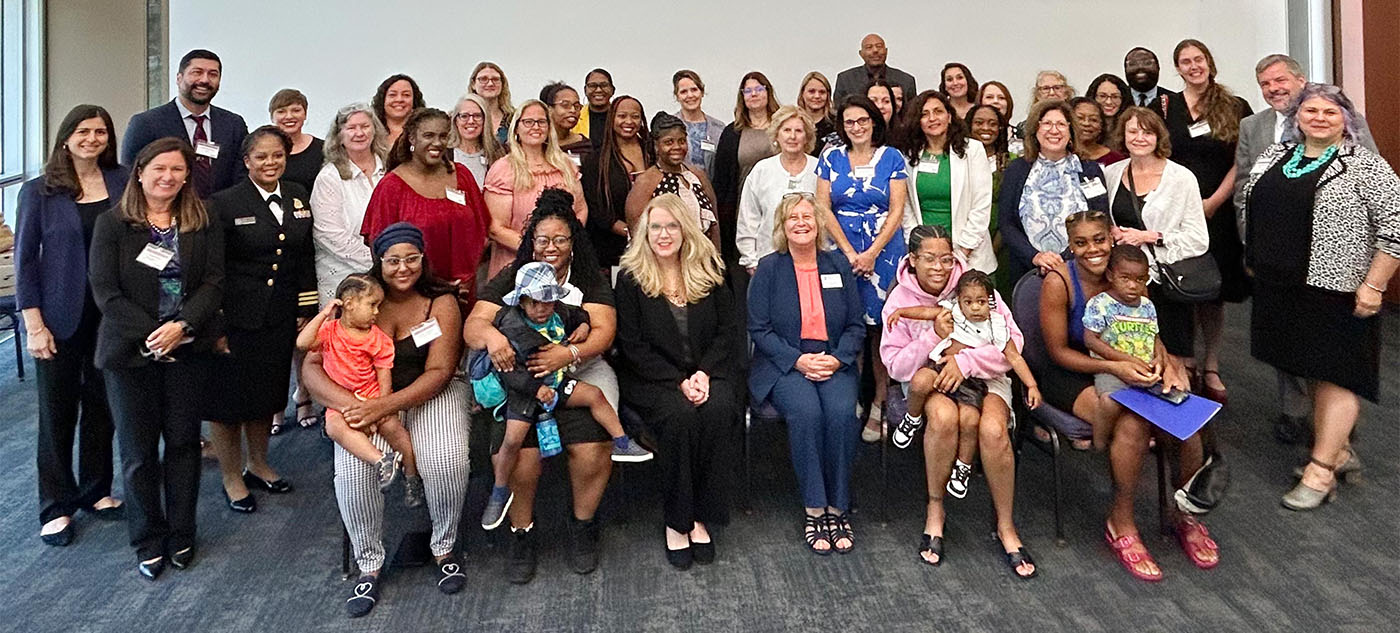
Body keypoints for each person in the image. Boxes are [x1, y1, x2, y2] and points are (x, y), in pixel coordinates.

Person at [1239, 83, 1399, 510]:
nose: (1320, 117)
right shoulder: (1275, 157)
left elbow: (1394, 230)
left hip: (1339, 289)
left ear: (1345, 119)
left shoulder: (1366, 166)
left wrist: (1375, 284)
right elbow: (1251, 207)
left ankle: (1321, 469)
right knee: (1308, 368)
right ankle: (1340, 450)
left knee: (1337, 373)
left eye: (1331, 111)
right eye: (1311, 110)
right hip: (1281, 286)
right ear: (1297, 117)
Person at [301, 223, 472, 615]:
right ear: (379, 262)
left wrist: (382, 407)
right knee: (354, 471)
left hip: (429, 393)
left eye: (411, 258)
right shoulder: (357, 302)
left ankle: (443, 547)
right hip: (363, 398)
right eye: (393, 260)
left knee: (445, 460)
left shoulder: (439, 301)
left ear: (422, 259)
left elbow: (440, 370)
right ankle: (369, 563)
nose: (402, 268)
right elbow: (311, 366)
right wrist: (351, 404)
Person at [1037, 211, 1208, 582]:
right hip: (1072, 373)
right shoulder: (1059, 281)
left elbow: (1149, 331)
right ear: (1070, 245)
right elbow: (1057, 353)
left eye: (1099, 239)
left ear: (1110, 239)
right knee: (1131, 423)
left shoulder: (1130, 275)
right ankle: (1121, 521)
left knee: (1187, 422)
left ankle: (1185, 512)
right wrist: (1114, 368)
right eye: (1081, 243)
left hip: (1128, 368)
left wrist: (1163, 359)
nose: (1092, 250)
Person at [463, 191, 621, 583]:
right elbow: (473, 327)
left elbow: (603, 333)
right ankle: (522, 533)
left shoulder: (587, 276)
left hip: (578, 370)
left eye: (560, 240)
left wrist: (566, 354)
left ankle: (582, 525)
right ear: (531, 241)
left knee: (591, 445)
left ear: (573, 243)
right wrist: (495, 340)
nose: (551, 247)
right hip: (522, 380)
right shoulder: (515, 276)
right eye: (543, 239)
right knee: (524, 454)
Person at [90, 137, 224, 579]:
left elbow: (212, 284)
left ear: (188, 176)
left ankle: (182, 532)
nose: (168, 177)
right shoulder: (113, 224)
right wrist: (153, 334)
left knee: (184, 445)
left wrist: (182, 327)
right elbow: (106, 293)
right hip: (131, 354)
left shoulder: (201, 221)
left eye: (178, 170)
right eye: (159, 168)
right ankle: (147, 538)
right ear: (141, 172)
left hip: (187, 351)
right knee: (138, 452)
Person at [1233, 54, 1377, 446]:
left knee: (1328, 353)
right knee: (1285, 342)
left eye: (1280, 80)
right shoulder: (1254, 127)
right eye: (1265, 84)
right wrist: (1252, 247)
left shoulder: (1347, 124)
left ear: (1300, 79)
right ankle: (1296, 413)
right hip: (1276, 261)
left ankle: (1334, 434)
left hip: (1333, 264)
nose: (1273, 89)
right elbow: (1245, 190)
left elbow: (1376, 194)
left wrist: (1372, 276)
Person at [880, 226, 1036, 577]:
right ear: (913, 260)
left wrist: (966, 362)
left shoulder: (975, 287)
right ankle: (936, 509)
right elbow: (896, 366)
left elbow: (1013, 345)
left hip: (987, 377)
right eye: (930, 259)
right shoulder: (900, 301)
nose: (939, 267)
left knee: (995, 431)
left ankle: (1006, 525)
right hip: (930, 378)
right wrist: (933, 337)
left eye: (946, 259)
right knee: (944, 418)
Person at [17, 104, 128, 547]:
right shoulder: (39, 191)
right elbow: (25, 261)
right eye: (83, 131)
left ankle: (95, 491)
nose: (92, 139)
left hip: (111, 315)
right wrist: (33, 324)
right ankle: (55, 505)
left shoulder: (122, 181)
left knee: (103, 407)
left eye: (100, 131)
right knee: (57, 413)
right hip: (59, 317)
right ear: (66, 137)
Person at [615, 194, 742, 569]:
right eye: (655, 227)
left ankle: (702, 514)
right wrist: (678, 381)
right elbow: (632, 346)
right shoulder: (631, 278)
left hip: (709, 371)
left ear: (685, 230)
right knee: (680, 417)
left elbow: (727, 331)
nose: (664, 234)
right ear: (644, 232)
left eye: (672, 226)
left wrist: (704, 373)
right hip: (653, 378)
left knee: (719, 410)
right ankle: (676, 519)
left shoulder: (711, 269)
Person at [477, 261, 651, 531]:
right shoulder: (511, 326)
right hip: (525, 390)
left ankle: (622, 441)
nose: (542, 308)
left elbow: (578, 314)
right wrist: (536, 390)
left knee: (594, 395)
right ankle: (499, 491)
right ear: (521, 301)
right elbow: (510, 372)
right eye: (534, 302)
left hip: (556, 381)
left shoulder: (557, 310)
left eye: (547, 301)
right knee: (512, 441)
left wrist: (582, 326)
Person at [203, 125, 317, 512]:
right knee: (227, 400)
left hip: (279, 314)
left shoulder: (298, 195)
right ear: (247, 160)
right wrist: (215, 324)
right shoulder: (223, 203)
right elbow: (211, 269)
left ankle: (260, 463)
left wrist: (304, 308)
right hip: (234, 317)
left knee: (267, 392)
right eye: (262, 156)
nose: (271, 163)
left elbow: (303, 257)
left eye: (278, 156)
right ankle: (232, 476)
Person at [748, 194, 865, 555]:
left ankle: (838, 506)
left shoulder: (837, 265)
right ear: (782, 227)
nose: (801, 223)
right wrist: (798, 360)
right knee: (808, 413)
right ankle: (815, 508)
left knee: (843, 414)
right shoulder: (768, 268)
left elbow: (856, 325)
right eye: (792, 218)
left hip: (833, 359)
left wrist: (836, 358)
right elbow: (758, 328)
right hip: (785, 363)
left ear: (819, 224)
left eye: (807, 217)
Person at [887, 270, 1041, 493]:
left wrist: (1031, 385)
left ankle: (964, 466)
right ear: (959, 301)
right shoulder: (955, 311)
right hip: (941, 366)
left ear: (991, 300)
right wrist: (902, 312)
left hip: (972, 380)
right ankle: (912, 418)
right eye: (968, 302)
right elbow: (927, 312)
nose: (975, 307)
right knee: (920, 381)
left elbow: (1014, 356)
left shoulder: (996, 325)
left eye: (981, 301)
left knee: (969, 420)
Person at [1163, 39, 1253, 405]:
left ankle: (1211, 363)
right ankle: (1184, 361)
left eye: (1198, 59)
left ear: (1209, 63)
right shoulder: (1165, 105)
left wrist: (1214, 202)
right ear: (1178, 68)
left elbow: (1243, 159)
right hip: (1173, 211)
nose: (1193, 66)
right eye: (1185, 61)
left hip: (1217, 210)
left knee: (1212, 293)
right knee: (1177, 287)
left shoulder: (1234, 106)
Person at [817, 94, 909, 443]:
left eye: (862, 121)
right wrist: (850, 251)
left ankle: (878, 404)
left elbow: (897, 210)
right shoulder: (830, 158)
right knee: (844, 330)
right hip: (841, 252)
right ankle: (848, 399)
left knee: (880, 334)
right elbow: (823, 208)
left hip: (883, 253)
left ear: (874, 123)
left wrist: (871, 253)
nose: (856, 127)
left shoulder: (892, 158)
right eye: (850, 122)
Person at [295, 274, 420, 504]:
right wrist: (323, 314)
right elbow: (302, 343)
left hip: (372, 395)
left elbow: (384, 375)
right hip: (340, 400)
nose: (377, 312)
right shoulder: (329, 331)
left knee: (393, 429)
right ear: (349, 304)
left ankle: (412, 476)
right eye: (372, 305)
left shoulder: (378, 339)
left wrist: (382, 407)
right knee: (333, 427)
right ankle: (381, 460)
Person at [1102, 106, 1208, 373]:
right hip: (1124, 281)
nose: (1139, 137)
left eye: (1147, 132)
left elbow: (1198, 239)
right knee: (1133, 353)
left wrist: (1150, 237)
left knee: (1174, 360)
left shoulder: (1181, 178)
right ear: (1122, 135)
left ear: (1159, 136)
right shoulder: (1112, 173)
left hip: (1166, 281)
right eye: (1133, 131)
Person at [361, 108, 490, 303]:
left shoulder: (462, 175)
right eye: (428, 135)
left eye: (443, 136)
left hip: (464, 293)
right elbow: (379, 248)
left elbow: (483, 231)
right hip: (415, 298)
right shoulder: (391, 187)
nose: (437, 143)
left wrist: (467, 278)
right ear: (412, 138)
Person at [999, 99, 1111, 284]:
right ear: (1036, 129)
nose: (1054, 130)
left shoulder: (1089, 170)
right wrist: (1036, 257)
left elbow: (1101, 218)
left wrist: (1066, 258)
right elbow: (1007, 223)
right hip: (1026, 269)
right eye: (1047, 124)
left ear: (1071, 131)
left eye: (1061, 124)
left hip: (1079, 270)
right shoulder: (1017, 169)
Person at [122, 49, 248, 199]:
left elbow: (242, 175)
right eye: (197, 72)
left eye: (213, 74)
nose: (205, 80)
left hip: (221, 215)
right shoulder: (146, 123)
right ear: (179, 78)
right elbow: (130, 174)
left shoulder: (233, 124)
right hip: (166, 214)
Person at [484, 100, 589, 277]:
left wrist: (561, 248)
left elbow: (580, 209)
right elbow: (495, 228)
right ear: (516, 128)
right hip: (515, 267)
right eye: (528, 122)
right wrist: (539, 250)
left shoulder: (566, 165)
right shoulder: (503, 169)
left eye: (541, 122)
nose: (536, 127)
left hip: (562, 266)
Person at [897, 90, 996, 274]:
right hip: (926, 258)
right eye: (924, 114)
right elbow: (906, 206)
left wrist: (961, 253)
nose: (932, 118)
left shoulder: (972, 150)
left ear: (949, 116)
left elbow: (981, 204)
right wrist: (919, 245)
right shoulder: (908, 154)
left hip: (970, 254)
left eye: (938, 111)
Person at [1081, 245, 1166, 449]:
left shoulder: (1147, 305)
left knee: (1173, 397)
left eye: (1139, 280)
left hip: (1145, 370)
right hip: (1112, 371)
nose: (1132, 286)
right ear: (1110, 276)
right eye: (1125, 278)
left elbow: (1154, 336)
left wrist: (1159, 359)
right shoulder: (1100, 304)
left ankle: (1153, 438)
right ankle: (1100, 442)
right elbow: (1090, 340)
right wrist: (1122, 360)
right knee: (1110, 402)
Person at [312, 102, 387, 306]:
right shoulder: (329, 177)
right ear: (340, 136)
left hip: (390, 277)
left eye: (365, 126)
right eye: (351, 128)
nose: (359, 133)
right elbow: (328, 234)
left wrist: (392, 263)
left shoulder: (389, 170)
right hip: (343, 280)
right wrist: (381, 261)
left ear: (375, 130)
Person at [737, 105, 819, 273]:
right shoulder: (762, 170)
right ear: (776, 135)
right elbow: (748, 219)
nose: (793, 136)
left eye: (799, 131)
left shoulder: (819, 169)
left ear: (807, 137)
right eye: (786, 130)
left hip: (814, 261)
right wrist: (751, 260)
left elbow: (827, 217)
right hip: (768, 261)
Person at [711, 71, 780, 267]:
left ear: (768, 92)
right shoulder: (732, 133)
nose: (754, 94)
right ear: (742, 97)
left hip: (779, 205)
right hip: (743, 208)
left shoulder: (783, 127)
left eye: (759, 89)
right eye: (748, 91)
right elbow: (722, 181)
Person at [627, 112, 720, 246]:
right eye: (668, 142)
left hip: (702, 260)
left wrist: (716, 261)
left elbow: (715, 225)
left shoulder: (697, 176)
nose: (677, 147)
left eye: (681, 141)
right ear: (656, 146)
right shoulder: (646, 182)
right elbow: (637, 234)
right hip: (661, 261)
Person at [581, 95, 651, 269]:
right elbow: (596, 207)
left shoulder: (653, 152)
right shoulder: (596, 160)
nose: (629, 121)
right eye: (622, 116)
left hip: (655, 241)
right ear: (611, 119)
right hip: (611, 248)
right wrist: (630, 232)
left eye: (635, 116)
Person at [671, 70, 726, 174]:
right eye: (683, 92)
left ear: (702, 92)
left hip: (711, 188)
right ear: (677, 96)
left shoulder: (719, 128)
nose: (690, 95)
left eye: (694, 90)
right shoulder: (668, 127)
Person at [834, 33, 916, 102]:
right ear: (861, 54)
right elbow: (838, 112)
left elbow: (912, 115)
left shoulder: (906, 80)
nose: (875, 50)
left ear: (886, 51)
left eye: (879, 46)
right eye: (869, 47)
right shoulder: (846, 79)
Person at [269, 89, 324, 192]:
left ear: (305, 114)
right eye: (281, 111)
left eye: (296, 110)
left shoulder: (324, 150)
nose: (289, 116)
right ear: (272, 117)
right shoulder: (262, 152)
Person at [449, 93, 505, 186]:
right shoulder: (444, 155)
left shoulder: (497, 153)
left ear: (485, 120)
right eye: (464, 116)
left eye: (477, 116)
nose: (471, 121)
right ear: (456, 120)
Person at [542, 82, 591, 165]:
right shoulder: (538, 144)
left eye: (577, 106)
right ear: (549, 109)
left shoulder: (585, 146)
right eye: (565, 105)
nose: (573, 110)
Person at [371, 74, 425, 147]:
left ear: (414, 100)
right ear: (383, 99)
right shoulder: (370, 131)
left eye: (406, 95)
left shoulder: (425, 132)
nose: (399, 99)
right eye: (392, 95)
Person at [469, 62, 515, 146]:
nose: (490, 84)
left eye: (495, 79)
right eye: (483, 79)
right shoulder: (462, 119)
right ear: (473, 84)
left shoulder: (514, 118)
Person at [1071, 97, 1126, 165]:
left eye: (1093, 120)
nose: (1086, 123)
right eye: (1080, 118)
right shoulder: (1059, 155)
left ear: (1101, 126)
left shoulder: (1116, 160)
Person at [1124, 47, 1174, 118]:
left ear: (1158, 68)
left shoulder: (1174, 101)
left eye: (1147, 63)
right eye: (1133, 64)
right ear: (1125, 70)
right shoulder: (1117, 99)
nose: (1140, 67)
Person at [797, 71, 838, 155]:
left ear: (828, 95)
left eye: (822, 92)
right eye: (811, 91)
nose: (817, 96)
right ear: (802, 94)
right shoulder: (794, 120)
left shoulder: (837, 122)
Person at [977, 80, 1018, 155]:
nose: (996, 101)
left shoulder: (1018, 135)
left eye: (1001, 98)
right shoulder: (969, 135)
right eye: (989, 97)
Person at [579, 68, 616, 148]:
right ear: (585, 90)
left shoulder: (623, 117)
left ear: (612, 90)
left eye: (604, 85)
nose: (598, 90)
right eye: (592, 86)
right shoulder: (576, 118)